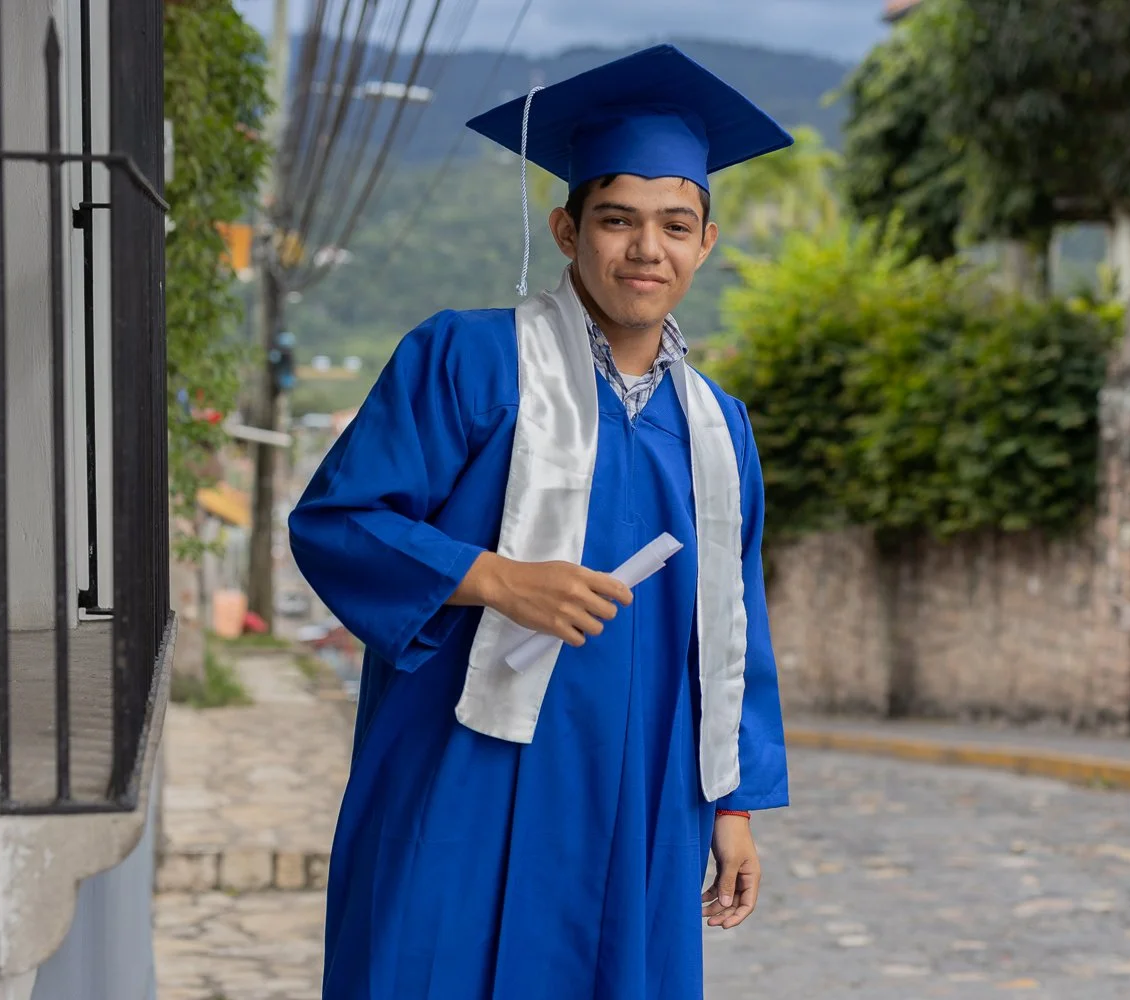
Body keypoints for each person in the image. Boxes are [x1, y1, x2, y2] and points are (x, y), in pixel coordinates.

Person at [288, 43, 791, 1000]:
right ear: (567, 230)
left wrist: (733, 807)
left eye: (675, 225)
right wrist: (495, 579)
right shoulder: (467, 361)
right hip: (464, 769)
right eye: (617, 219)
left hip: (641, 793)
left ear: (705, 244)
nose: (646, 249)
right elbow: (339, 520)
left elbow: (733, 623)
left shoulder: (717, 427)